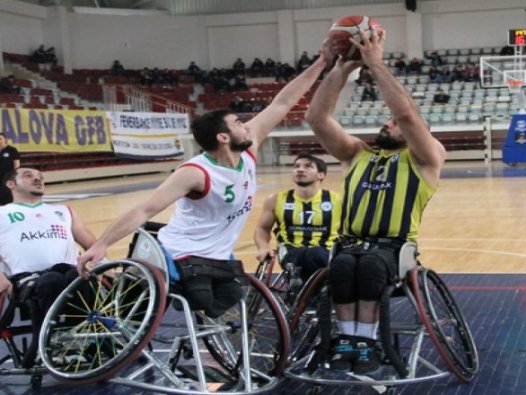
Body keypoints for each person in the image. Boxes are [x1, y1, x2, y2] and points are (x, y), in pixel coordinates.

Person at [76, 54, 328, 319]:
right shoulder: (196, 172)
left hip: (218, 254)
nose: (246, 128)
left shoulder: (248, 150)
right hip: (183, 252)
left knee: (230, 296)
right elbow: (144, 210)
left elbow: (283, 102)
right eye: (238, 125)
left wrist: (323, 61)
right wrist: (101, 244)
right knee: (201, 300)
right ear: (223, 137)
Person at [305, 27, 446, 373]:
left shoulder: (427, 157)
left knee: (368, 268)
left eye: (393, 124)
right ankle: (349, 341)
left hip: (395, 247)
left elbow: (408, 116)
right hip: (350, 244)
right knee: (340, 268)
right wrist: (341, 69)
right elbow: (316, 119)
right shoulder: (356, 153)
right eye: (386, 122)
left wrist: (376, 64)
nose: (388, 124)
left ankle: (367, 343)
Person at [0, 168, 96, 315]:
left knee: (80, 278)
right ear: (11, 184)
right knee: (51, 281)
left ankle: (84, 331)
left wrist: (104, 266)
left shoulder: (64, 211)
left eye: (40, 177)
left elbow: (91, 244)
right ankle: (51, 335)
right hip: (27, 279)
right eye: (28, 176)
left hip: (71, 272)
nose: (37, 179)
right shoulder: (2, 213)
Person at [253, 153, 341, 290]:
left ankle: (305, 289)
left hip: (326, 252)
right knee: (301, 253)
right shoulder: (275, 200)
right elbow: (262, 229)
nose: (300, 169)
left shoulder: (337, 200)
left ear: (321, 175)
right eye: (296, 166)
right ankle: (310, 291)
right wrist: (263, 246)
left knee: (314, 253)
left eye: (308, 166)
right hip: (290, 252)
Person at [0, 133, 20, 205]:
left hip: (8, 175)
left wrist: (14, 174)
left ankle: (9, 205)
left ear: (5, 140)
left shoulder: (12, 150)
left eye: (0, 139)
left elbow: (17, 163)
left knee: (7, 192)